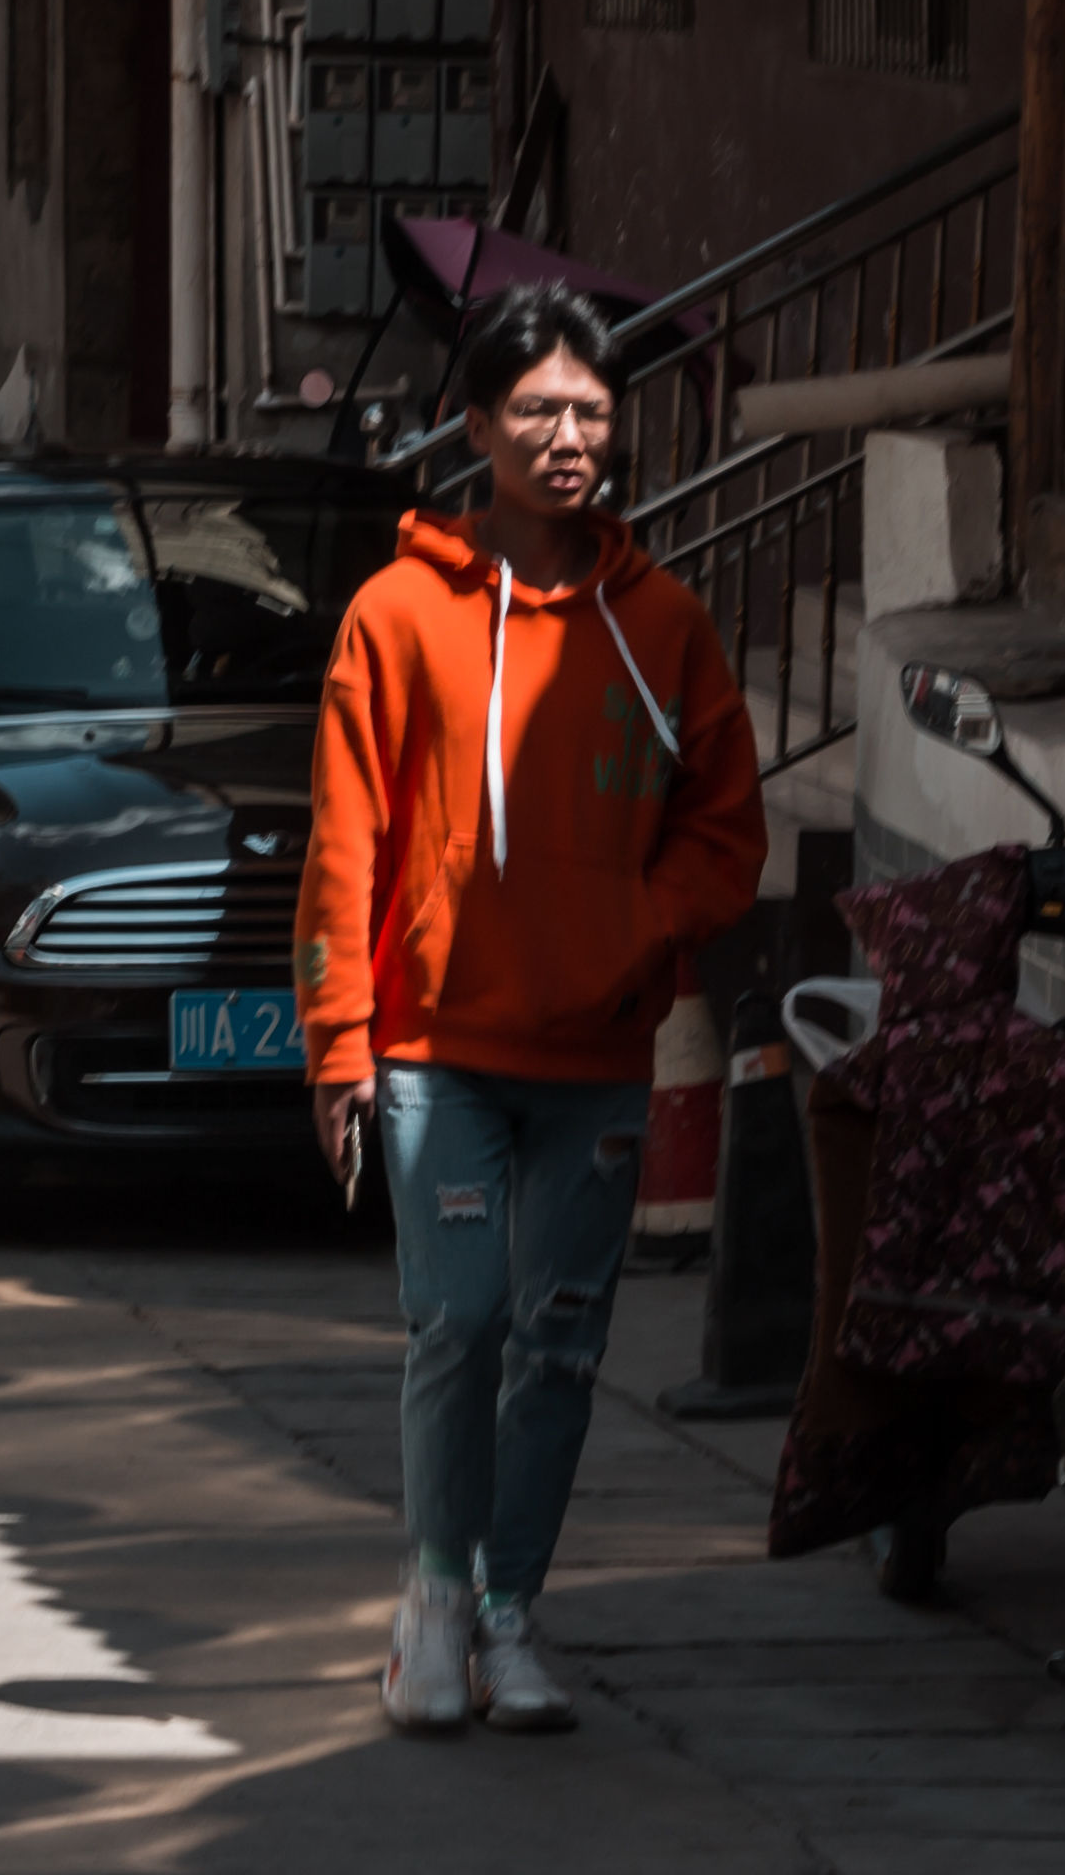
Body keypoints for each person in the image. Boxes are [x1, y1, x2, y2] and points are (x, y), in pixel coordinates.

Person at [299, 285, 767, 1739]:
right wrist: (338, 1042)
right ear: (474, 425)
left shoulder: (664, 624)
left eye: (591, 413)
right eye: (537, 411)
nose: (569, 438)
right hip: (438, 1046)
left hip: (599, 1057)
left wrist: (643, 924)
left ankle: (512, 1613)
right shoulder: (395, 613)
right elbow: (345, 837)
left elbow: (725, 830)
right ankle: (432, 1603)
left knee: (564, 1337)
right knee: (461, 1321)